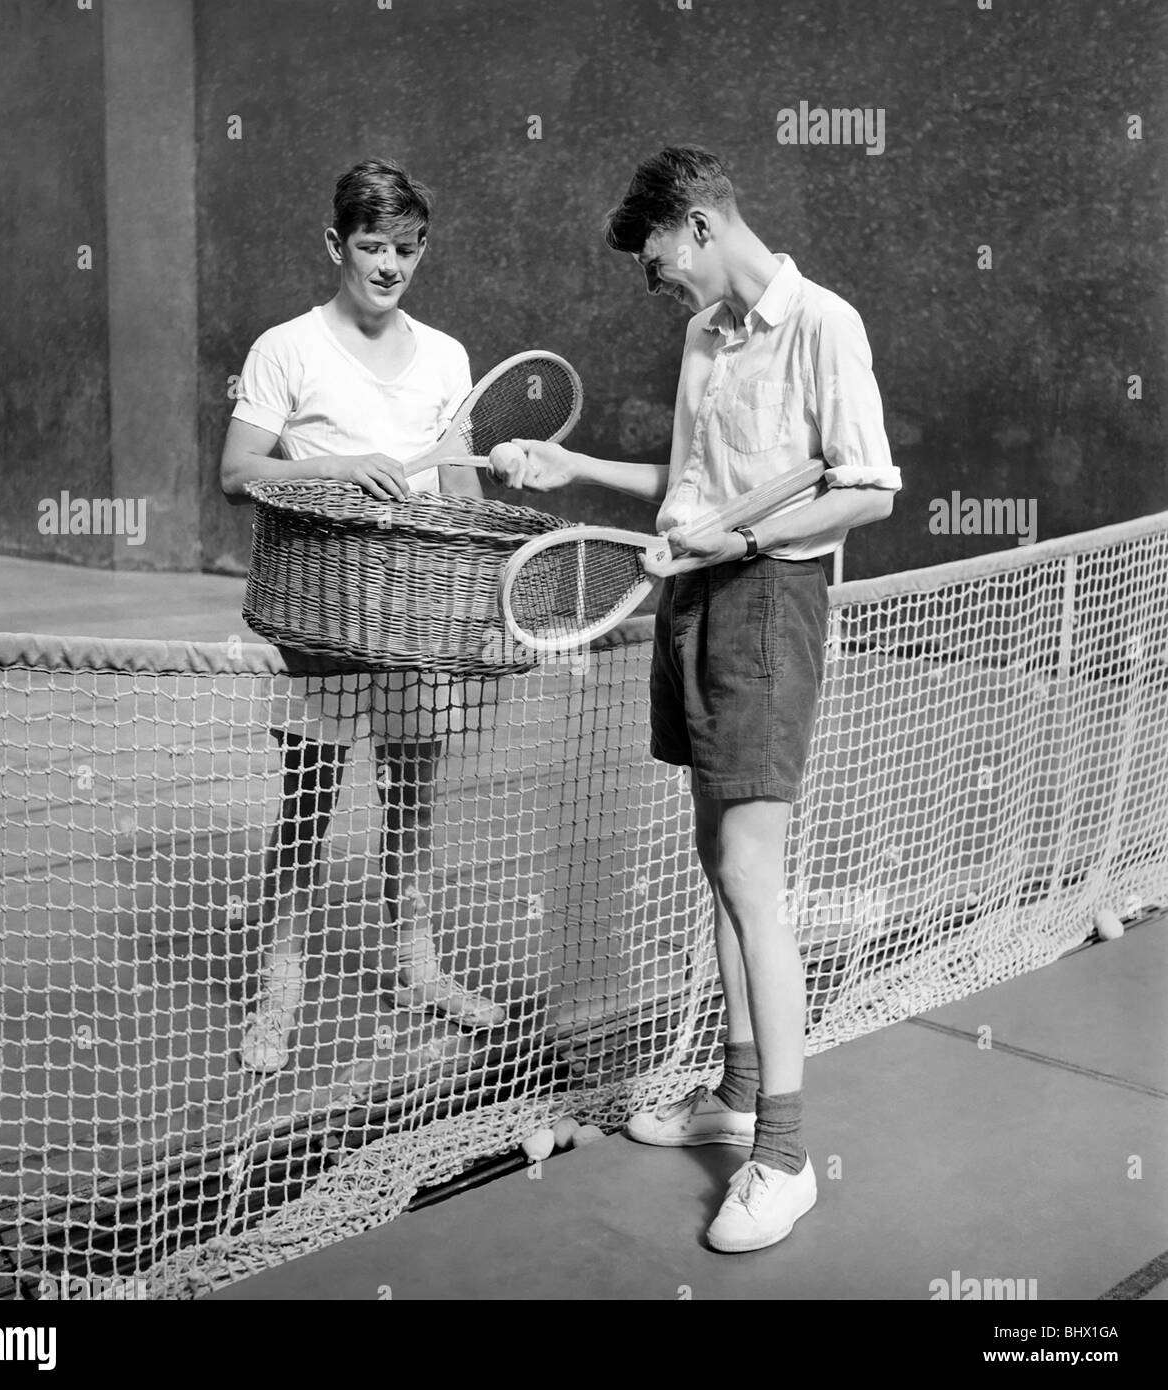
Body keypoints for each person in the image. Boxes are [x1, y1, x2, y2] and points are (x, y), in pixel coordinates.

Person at [492, 147, 899, 1251]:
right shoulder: (701, 337)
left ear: (703, 223)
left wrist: (750, 534)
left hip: (770, 602)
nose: (659, 281)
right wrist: (567, 469)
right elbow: (684, 491)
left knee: (755, 875)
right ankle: (734, 1085)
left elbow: (867, 485)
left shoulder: (826, 325)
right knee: (719, 862)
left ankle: (783, 1155)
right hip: (694, 598)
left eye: (662, 259)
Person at [220, 157, 506, 1073]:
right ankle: (281, 986)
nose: (390, 265)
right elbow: (238, 473)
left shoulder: (449, 355)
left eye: (408, 249)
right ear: (335, 245)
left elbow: (456, 480)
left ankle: (416, 963)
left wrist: (489, 557)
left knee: (414, 800)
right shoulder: (286, 348)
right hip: (324, 618)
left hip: (417, 620)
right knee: (308, 805)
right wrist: (340, 468)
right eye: (374, 246)